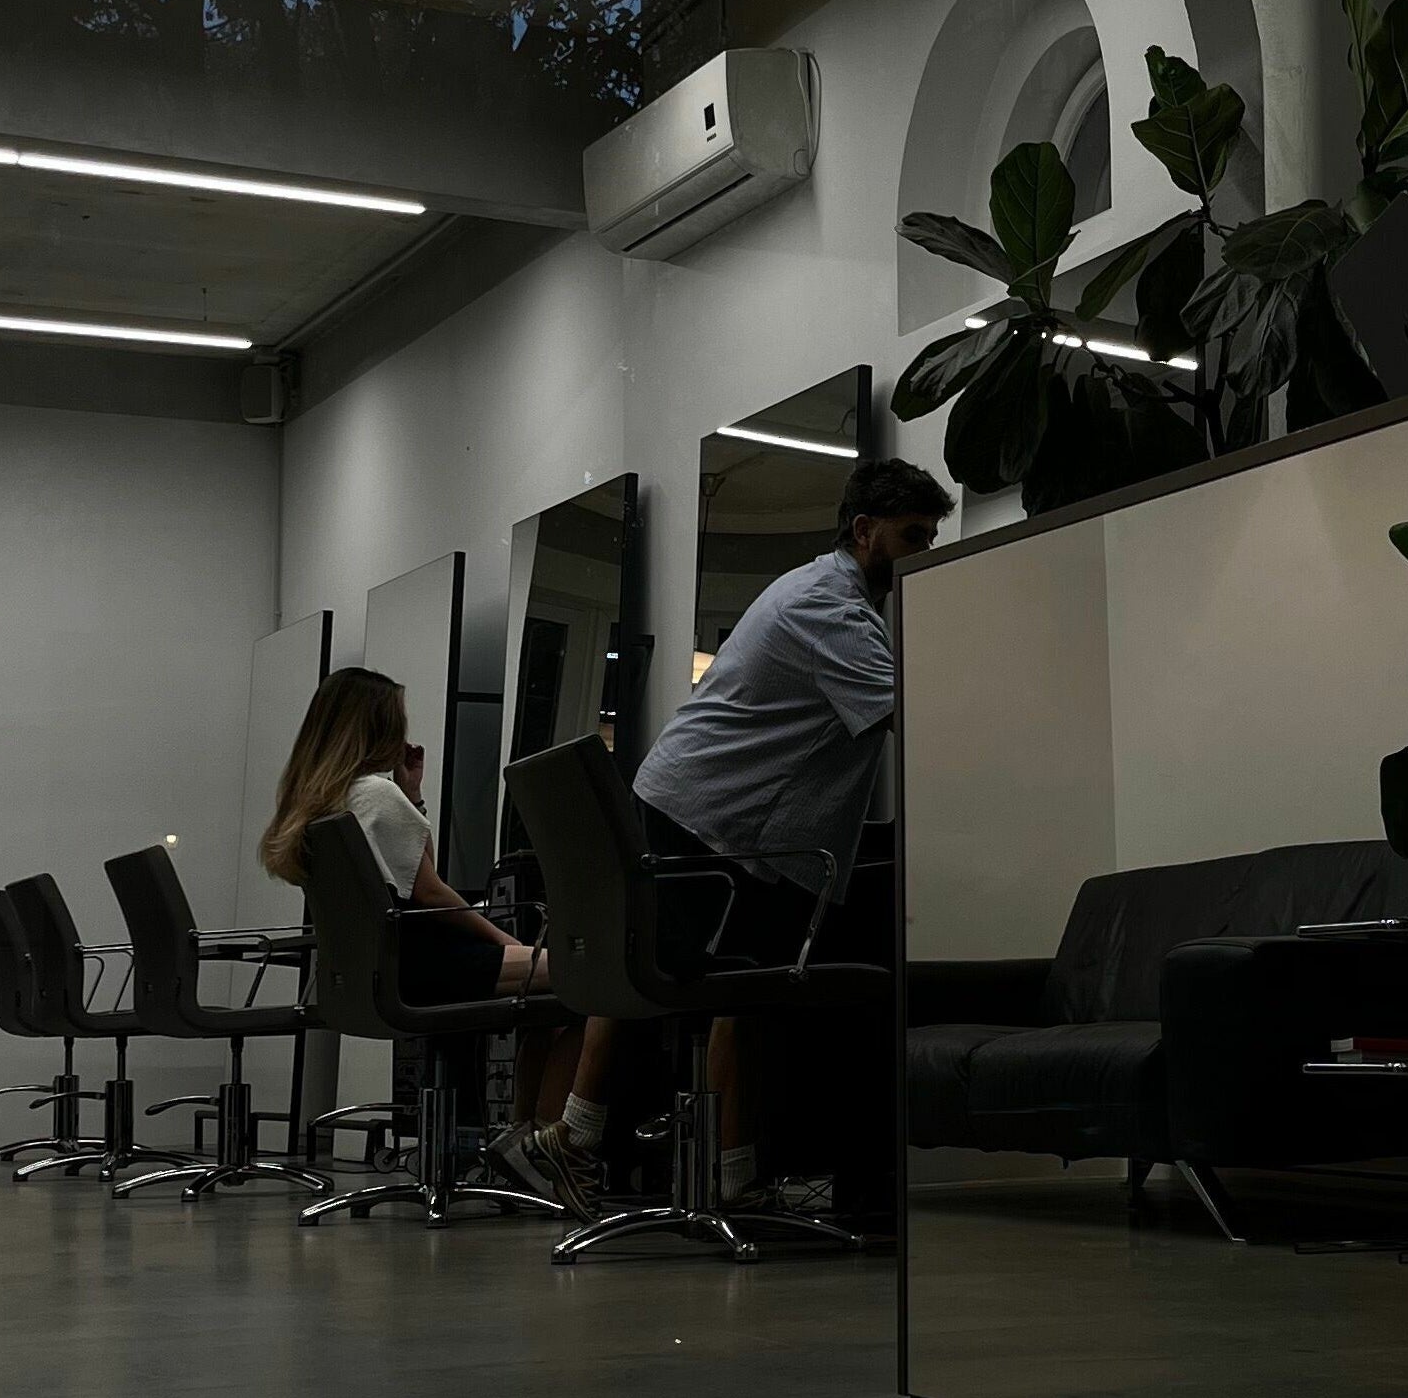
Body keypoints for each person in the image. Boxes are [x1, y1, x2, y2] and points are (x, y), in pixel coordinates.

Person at [492, 457, 953, 1220]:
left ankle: (705, 1170)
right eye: (914, 536)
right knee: (724, 986)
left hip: (696, 810)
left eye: (931, 537)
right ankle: (579, 1142)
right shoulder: (833, 609)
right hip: (713, 821)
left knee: (725, 989)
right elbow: (914, 709)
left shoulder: (814, 590)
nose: (923, 553)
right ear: (865, 530)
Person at [260, 667, 553, 1003]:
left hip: (384, 971)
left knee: (555, 1001)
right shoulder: (376, 795)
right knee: (588, 972)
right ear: (380, 728)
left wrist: (411, 795)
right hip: (429, 965)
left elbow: (414, 873)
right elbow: (430, 892)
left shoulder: (323, 804)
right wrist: (503, 939)